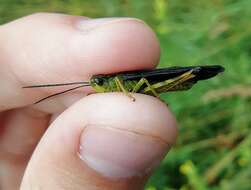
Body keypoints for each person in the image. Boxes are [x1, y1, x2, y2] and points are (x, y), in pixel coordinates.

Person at [0, 13, 177, 190]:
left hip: (159, 80)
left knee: (146, 81)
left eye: (99, 83)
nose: (96, 86)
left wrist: (153, 98)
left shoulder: (118, 81)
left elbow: (143, 82)